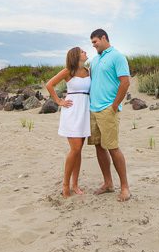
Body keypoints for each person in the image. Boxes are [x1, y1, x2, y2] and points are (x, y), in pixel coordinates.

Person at [87, 28, 131, 201]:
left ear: (104, 38)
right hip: (93, 109)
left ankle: (125, 188)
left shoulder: (117, 56)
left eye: (95, 41)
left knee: (113, 147)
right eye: (92, 43)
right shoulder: (95, 60)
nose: (93, 45)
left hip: (108, 109)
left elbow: (125, 82)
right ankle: (108, 183)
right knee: (99, 146)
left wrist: (115, 105)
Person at [45, 47, 91, 198]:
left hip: (84, 112)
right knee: (75, 149)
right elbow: (49, 84)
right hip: (72, 112)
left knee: (79, 150)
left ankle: (75, 184)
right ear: (76, 56)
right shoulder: (68, 71)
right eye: (82, 51)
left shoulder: (88, 71)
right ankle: (65, 184)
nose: (85, 52)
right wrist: (59, 101)